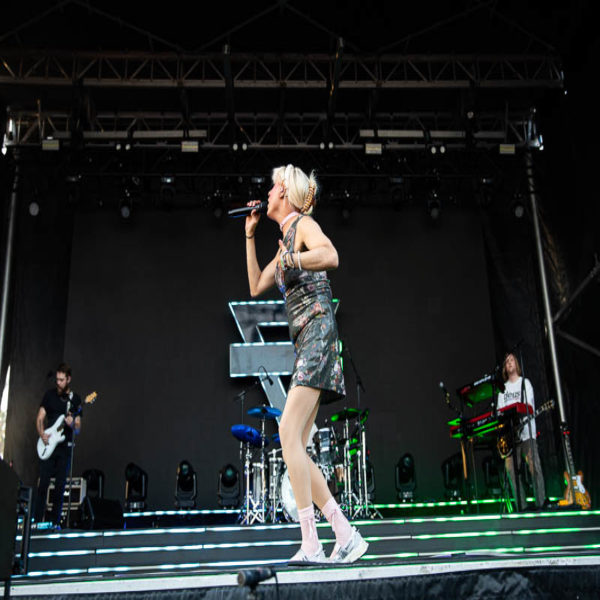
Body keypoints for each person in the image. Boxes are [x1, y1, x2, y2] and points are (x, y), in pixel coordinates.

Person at [244, 164, 368, 563]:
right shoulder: (284, 240)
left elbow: (331, 255)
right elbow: (256, 285)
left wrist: (295, 259)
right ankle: (344, 533)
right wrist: (250, 235)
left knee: (286, 433)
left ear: (284, 192)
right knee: (295, 443)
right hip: (307, 342)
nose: (267, 192)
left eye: (272, 186)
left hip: (318, 333)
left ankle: (312, 542)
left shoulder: (303, 225)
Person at [34, 363, 82, 526]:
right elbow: (40, 418)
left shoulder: (75, 399)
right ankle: (36, 522)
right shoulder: (49, 395)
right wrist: (42, 434)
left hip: (64, 447)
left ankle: (55, 524)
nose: (58, 383)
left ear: (69, 379)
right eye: (57, 380)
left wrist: (71, 424)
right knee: (43, 484)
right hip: (48, 444)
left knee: (60, 486)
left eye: (62, 380)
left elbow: (78, 429)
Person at [497, 352, 546, 511]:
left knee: (534, 467)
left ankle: (540, 504)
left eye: (512, 360)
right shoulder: (502, 390)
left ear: (517, 364)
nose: (509, 363)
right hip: (511, 438)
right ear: (505, 368)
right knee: (511, 470)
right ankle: (521, 507)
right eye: (506, 362)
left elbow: (529, 407)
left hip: (526, 434)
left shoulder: (525, 383)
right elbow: (499, 413)